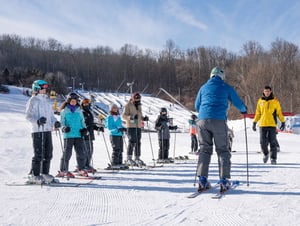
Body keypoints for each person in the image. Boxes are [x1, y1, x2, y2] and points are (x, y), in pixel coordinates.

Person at [194, 67, 247, 192]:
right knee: (223, 150)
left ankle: (202, 180)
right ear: (221, 76)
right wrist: (243, 109)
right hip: (218, 120)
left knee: (204, 150)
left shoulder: (203, 87)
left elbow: (197, 106)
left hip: (202, 121)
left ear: (211, 75)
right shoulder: (226, 87)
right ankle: (224, 180)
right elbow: (237, 102)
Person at [25, 80, 61, 184]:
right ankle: (34, 175)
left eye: (45, 88)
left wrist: (55, 122)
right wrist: (37, 121)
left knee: (48, 152)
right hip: (37, 130)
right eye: (43, 88)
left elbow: (51, 116)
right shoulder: (33, 100)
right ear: (36, 88)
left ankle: (45, 173)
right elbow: (28, 116)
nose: (45, 89)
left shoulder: (47, 100)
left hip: (47, 130)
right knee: (38, 153)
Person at [56, 92, 89, 178]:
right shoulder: (64, 111)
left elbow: (82, 121)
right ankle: (63, 170)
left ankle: (81, 168)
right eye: (72, 101)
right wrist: (63, 128)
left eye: (75, 101)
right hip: (68, 134)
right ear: (68, 101)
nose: (73, 102)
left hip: (78, 134)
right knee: (67, 153)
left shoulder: (79, 110)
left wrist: (84, 129)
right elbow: (62, 122)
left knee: (81, 153)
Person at [252, 85, 285, 165]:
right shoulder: (260, 101)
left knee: (272, 142)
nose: (267, 93)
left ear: (270, 92)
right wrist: (254, 122)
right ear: (263, 92)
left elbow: (279, 112)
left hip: (272, 124)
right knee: (262, 142)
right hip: (262, 124)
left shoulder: (275, 101)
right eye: (265, 91)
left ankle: (273, 158)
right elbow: (258, 113)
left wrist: (283, 122)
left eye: (268, 91)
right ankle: (266, 154)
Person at [122, 92, 149, 166]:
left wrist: (143, 118)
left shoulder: (139, 105)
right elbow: (124, 116)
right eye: (136, 98)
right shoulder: (128, 105)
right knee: (132, 141)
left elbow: (140, 116)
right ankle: (129, 158)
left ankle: (137, 157)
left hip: (138, 126)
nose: (138, 100)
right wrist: (131, 118)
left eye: (139, 98)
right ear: (133, 98)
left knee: (138, 142)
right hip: (131, 126)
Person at [80, 98, 104, 173]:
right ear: (82, 105)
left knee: (90, 150)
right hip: (84, 135)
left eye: (87, 104)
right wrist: (84, 129)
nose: (86, 105)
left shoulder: (89, 113)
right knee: (85, 150)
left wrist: (97, 128)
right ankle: (82, 165)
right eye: (84, 104)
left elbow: (91, 124)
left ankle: (87, 164)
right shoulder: (82, 113)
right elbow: (81, 123)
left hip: (90, 134)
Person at [105, 103, 128, 169]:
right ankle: (114, 163)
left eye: (116, 108)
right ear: (111, 109)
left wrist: (123, 128)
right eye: (113, 108)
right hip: (114, 135)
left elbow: (119, 125)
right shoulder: (110, 117)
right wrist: (117, 129)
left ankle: (119, 162)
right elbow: (109, 127)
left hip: (119, 135)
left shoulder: (118, 117)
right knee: (116, 149)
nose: (115, 109)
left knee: (121, 149)